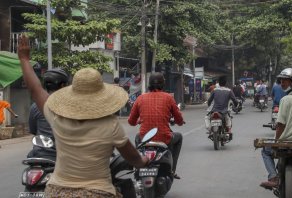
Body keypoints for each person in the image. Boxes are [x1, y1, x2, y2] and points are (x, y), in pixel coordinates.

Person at [17, 34, 149, 198]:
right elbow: (131, 156)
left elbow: (36, 90)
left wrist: (24, 59)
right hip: (98, 192)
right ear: (101, 95)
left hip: (56, 192)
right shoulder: (110, 124)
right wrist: (142, 161)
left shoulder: (58, 118)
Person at [128, 72, 184, 179]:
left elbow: (131, 121)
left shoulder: (140, 98)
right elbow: (179, 119)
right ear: (163, 84)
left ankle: (138, 165)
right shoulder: (168, 98)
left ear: (149, 84)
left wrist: (138, 121)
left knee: (137, 137)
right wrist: (180, 122)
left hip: (145, 138)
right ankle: (172, 170)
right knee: (179, 137)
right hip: (164, 138)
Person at [27, 68, 69, 161]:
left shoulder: (35, 106)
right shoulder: (70, 105)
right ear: (63, 86)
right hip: (63, 158)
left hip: (39, 155)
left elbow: (33, 129)